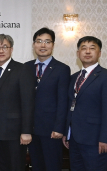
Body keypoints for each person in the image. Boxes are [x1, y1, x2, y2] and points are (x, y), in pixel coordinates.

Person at [63, 36, 107, 170]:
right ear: (78, 54)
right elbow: (70, 106)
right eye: (84, 48)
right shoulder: (73, 77)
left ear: (99, 53)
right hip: (74, 139)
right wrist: (66, 132)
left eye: (92, 48)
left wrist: (105, 138)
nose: (87, 52)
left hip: (96, 140)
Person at [0, 34, 35, 171]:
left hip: (14, 132)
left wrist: (26, 131)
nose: (1, 51)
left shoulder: (22, 69)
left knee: (15, 167)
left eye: (4, 47)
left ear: (11, 49)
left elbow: (27, 102)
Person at [25, 28, 70, 171]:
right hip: (31, 129)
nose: (42, 45)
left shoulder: (62, 69)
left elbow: (63, 101)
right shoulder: (25, 68)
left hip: (51, 130)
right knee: (36, 166)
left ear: (53, 45)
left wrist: (59, 128)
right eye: (39, 41)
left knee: (52, 166)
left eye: (47, 42)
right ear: (33, 45)